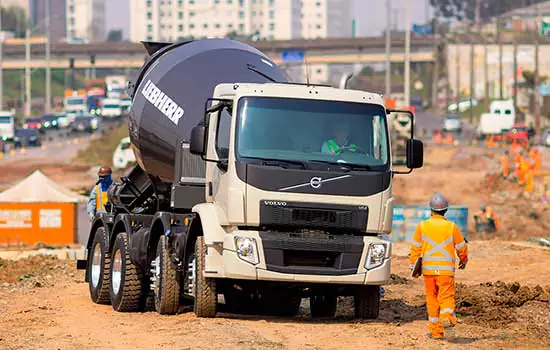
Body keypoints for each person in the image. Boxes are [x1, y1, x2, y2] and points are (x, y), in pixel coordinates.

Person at [409, 194, 468, 340]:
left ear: (431, 210)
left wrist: (413, 267)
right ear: (446, 210)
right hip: (446, 271)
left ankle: (436, 332)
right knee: (446, 296)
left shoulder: (422, 226)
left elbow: (415, 249)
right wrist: (464, 260)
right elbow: (461, 247)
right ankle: (447, 317)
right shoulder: (451, 227)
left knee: (432, 298)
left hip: (428, 270)